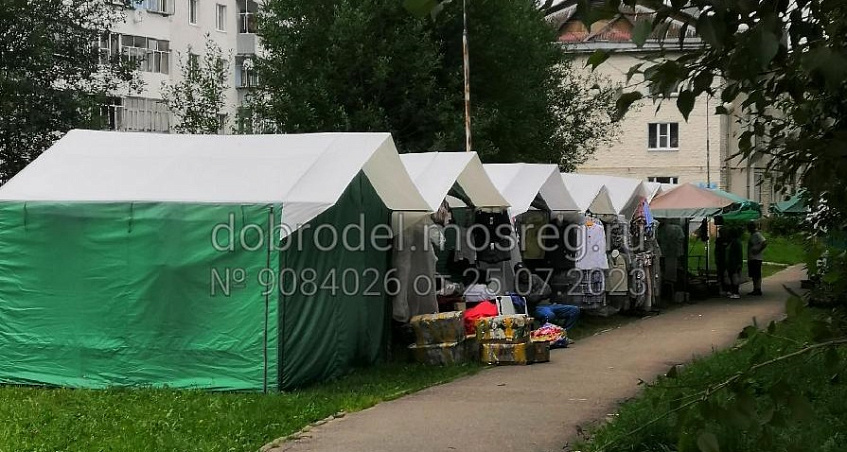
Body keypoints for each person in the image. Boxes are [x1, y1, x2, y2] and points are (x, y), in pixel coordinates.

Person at [513, 263, 580, 332]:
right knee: (550, 315)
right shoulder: (518, 285)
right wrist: (541, 292)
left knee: (574, 310)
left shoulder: (534, 277)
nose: (524, 275)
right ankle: (546, 334)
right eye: (521, 273)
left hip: (549, 304)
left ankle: (563, 332)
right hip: (536, 308)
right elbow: (532, 299)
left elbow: (548, 289)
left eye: (524, 271)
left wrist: (538, 294)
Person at [747, 221, 768, 296]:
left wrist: (759, 250)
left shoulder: (757, 234)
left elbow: (764, 242)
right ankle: (755, 288)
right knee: (753, 274)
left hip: (756, 258)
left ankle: (758, 289)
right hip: (752, 258)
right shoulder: (753, 235)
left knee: (756, 274)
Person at [725, 226, 744, 299]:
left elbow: (738, 254)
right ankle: (733, 291)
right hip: (731, 263)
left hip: (735, 263)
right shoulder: (732, 242)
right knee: (731, 277)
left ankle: (736, 292)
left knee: (734, 277)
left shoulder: (736, 242)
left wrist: (738, 264)